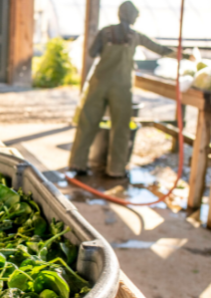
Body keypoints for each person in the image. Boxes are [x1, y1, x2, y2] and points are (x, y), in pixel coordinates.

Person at [69, 1, 189, 178]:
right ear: (133, 17)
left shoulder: (105, 31)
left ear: (119, 14)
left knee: (88, 122)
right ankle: (116, 170)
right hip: (121, 86)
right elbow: (160, 49)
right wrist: (185, 56)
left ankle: (77, 164)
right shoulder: (136, 36)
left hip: (99, 82)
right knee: (121, 127)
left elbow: (92, 53)